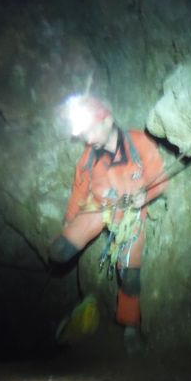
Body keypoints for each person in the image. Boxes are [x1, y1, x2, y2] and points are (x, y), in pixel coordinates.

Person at [49, 94, 167, 353]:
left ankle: (130, 326)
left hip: (130, 216)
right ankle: (65, 247)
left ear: (107, 121)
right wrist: (69, 222)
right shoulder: (88, 158)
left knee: (130, 276)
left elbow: (160, 178)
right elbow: (79, 193)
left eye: (90, 130)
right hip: (99, 208)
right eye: (84, 133)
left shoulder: (138, 142)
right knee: (58, 252)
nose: (87, 138)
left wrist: (146, 195)